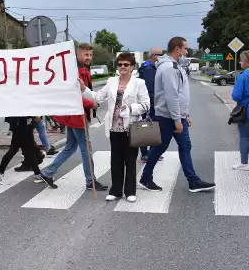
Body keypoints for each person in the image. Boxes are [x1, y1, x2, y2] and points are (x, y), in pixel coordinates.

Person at [139, 37, 215, 193]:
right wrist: (177, 119)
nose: (186, 52)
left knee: (177, 146)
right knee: (169, 147)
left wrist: (184, 115)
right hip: (169, 117)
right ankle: (190, 181)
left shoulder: (174, 66)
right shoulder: (168, 68)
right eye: (185, 49)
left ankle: (190, 181)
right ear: (177, 49)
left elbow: (179, 94)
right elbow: (171, 95)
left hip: (174, 115)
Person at [81, 53, 150, 202]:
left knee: (130, 161)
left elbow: (146, 105)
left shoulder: (139, 83)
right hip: (114, 127)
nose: (123, 67)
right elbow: (98, 97)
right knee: (116, 160)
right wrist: (83, 89)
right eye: (120, 64)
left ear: (132, 67)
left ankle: (130, 191)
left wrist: (130, 108)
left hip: (131, 127)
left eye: (126, 64)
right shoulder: (112, 81)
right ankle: (116, 191)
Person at [37, 43, 106, 191]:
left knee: (70, 147)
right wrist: (92, 104)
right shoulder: (75, 72)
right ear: (78, 55)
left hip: (73, 116)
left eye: (90, 55)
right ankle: (90, 181)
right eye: (86, 55)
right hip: (77, 116)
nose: (89, 58)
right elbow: (74, 96)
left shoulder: (79, 70)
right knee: (86, 149)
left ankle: (48, 172)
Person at [0, 116, 42, 184]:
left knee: (28, 151)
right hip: (20, 126)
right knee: (15, 150)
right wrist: (34, 116)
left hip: (24, 126)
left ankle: (38, 174)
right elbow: (22, 109)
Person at [137, 47, 163, 162]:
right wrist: (153, 104)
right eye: (160, 55)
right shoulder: (148, 69)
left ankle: (151, 153)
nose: (161, 57)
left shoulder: (150, 67)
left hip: (151, 103)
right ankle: (144, 154)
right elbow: (149, 89)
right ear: (154, 56)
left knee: (152, 128)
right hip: (150, 104)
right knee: (146, 128)